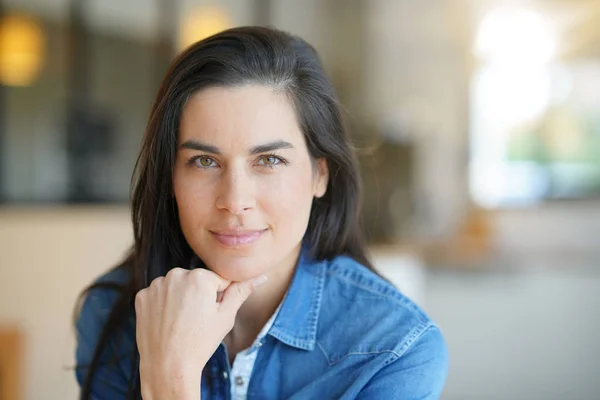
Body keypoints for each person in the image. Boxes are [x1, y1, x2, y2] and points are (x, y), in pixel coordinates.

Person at [75, 26, 448, 400]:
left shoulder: (395, 350)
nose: (235, 200)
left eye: (269, 160)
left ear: (320, 174)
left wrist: (170, 380)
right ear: (169, 176)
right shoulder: (114, 313)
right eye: (204, 161)